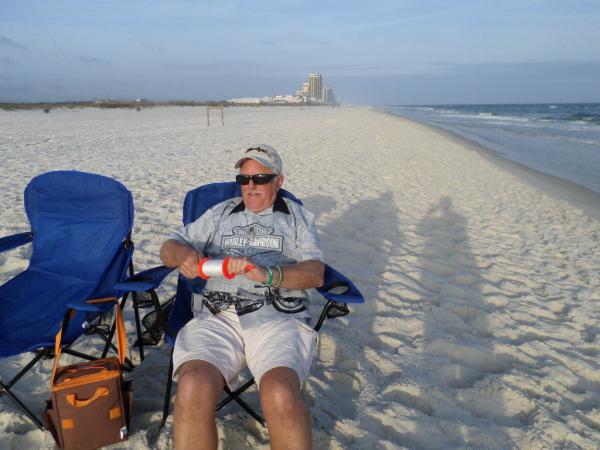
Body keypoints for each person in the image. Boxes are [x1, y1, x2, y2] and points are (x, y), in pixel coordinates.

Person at [159, 144, 324, 450]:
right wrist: (184, 256)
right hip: (217, 315)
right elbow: (169, 246)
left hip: (277, 315)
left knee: (280, 392)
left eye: (260, 178)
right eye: (244, 178)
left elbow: (315, 272)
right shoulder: (221, 213)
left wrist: (269, 274)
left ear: (279, 181)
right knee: (193, 385)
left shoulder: (297, 218)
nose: (250, 186)